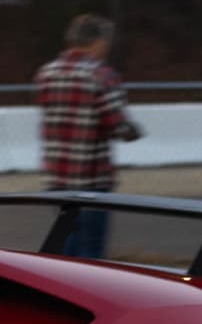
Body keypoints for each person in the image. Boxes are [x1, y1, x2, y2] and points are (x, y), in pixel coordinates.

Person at [34, 13, 144, 259]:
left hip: (57, 178)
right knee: (91, 251)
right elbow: (119, 126)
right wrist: (134, 131)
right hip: (92, 179)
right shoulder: (102, 75)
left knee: (66, 247)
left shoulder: (46, 74)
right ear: (99, 42)